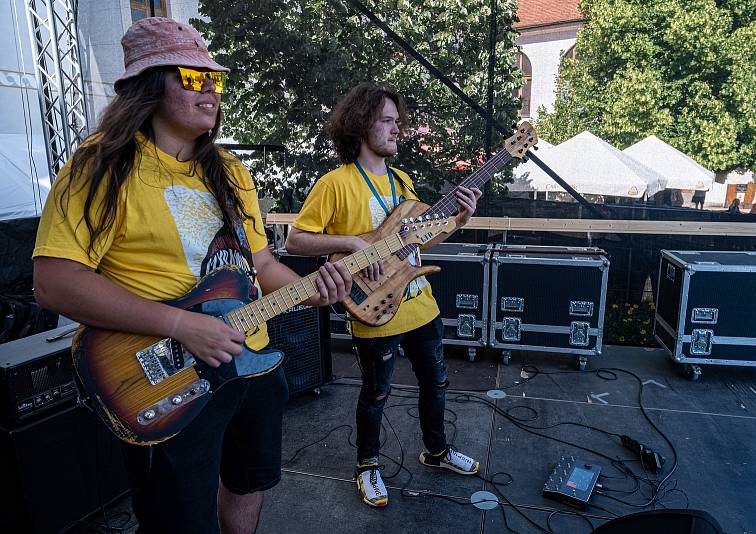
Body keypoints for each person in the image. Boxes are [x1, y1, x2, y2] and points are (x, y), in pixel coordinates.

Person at [31, 17, 352, 534]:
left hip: (253, 361)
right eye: (193, 78)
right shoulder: (101, 166)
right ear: (149, 86)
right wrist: (181, 325)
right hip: (168, 374)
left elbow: (260, 265)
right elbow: (54, 281)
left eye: (215, 81)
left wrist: (312, 291)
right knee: (177, 517)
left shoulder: (230, 172)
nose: (210, 92)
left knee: (249, 482)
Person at [284, 82, 482, 508]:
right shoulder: (335, 184)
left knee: (438, 383)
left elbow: (417, 243)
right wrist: (356, 243)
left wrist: (461, 219)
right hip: (373, 306)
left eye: (398, 121)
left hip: (420, 302)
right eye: (387, 121)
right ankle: (367, 466)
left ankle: (437, 451)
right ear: (361, 124)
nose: (397, 129)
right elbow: (295, 240)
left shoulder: (402, 181)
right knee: (376, 393)